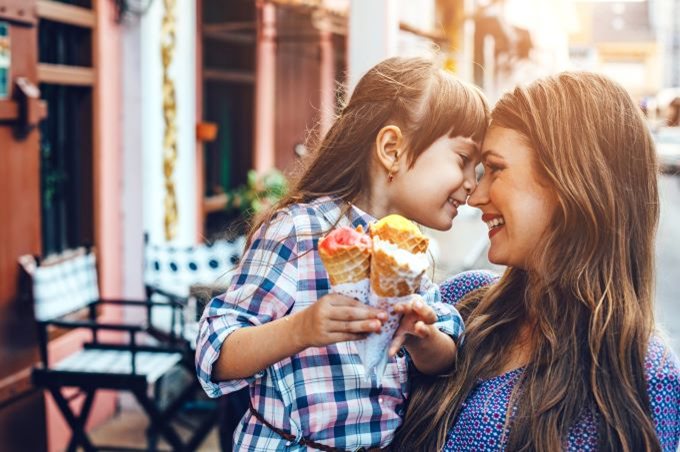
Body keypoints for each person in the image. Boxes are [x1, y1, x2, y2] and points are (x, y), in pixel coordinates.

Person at [195, 56, 489, 451]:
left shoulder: (410, 249)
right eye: (463, 160)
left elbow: (448, 356)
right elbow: (215, 353)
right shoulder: (300, 232)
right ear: (392, 148)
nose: (472, 183)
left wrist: (423, 337)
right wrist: (301, 329)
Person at [393, 71, 680, 451]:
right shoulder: (461, 302)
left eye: (495, 169)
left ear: (570, 182)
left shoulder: (645, 375)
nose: (474, 196)